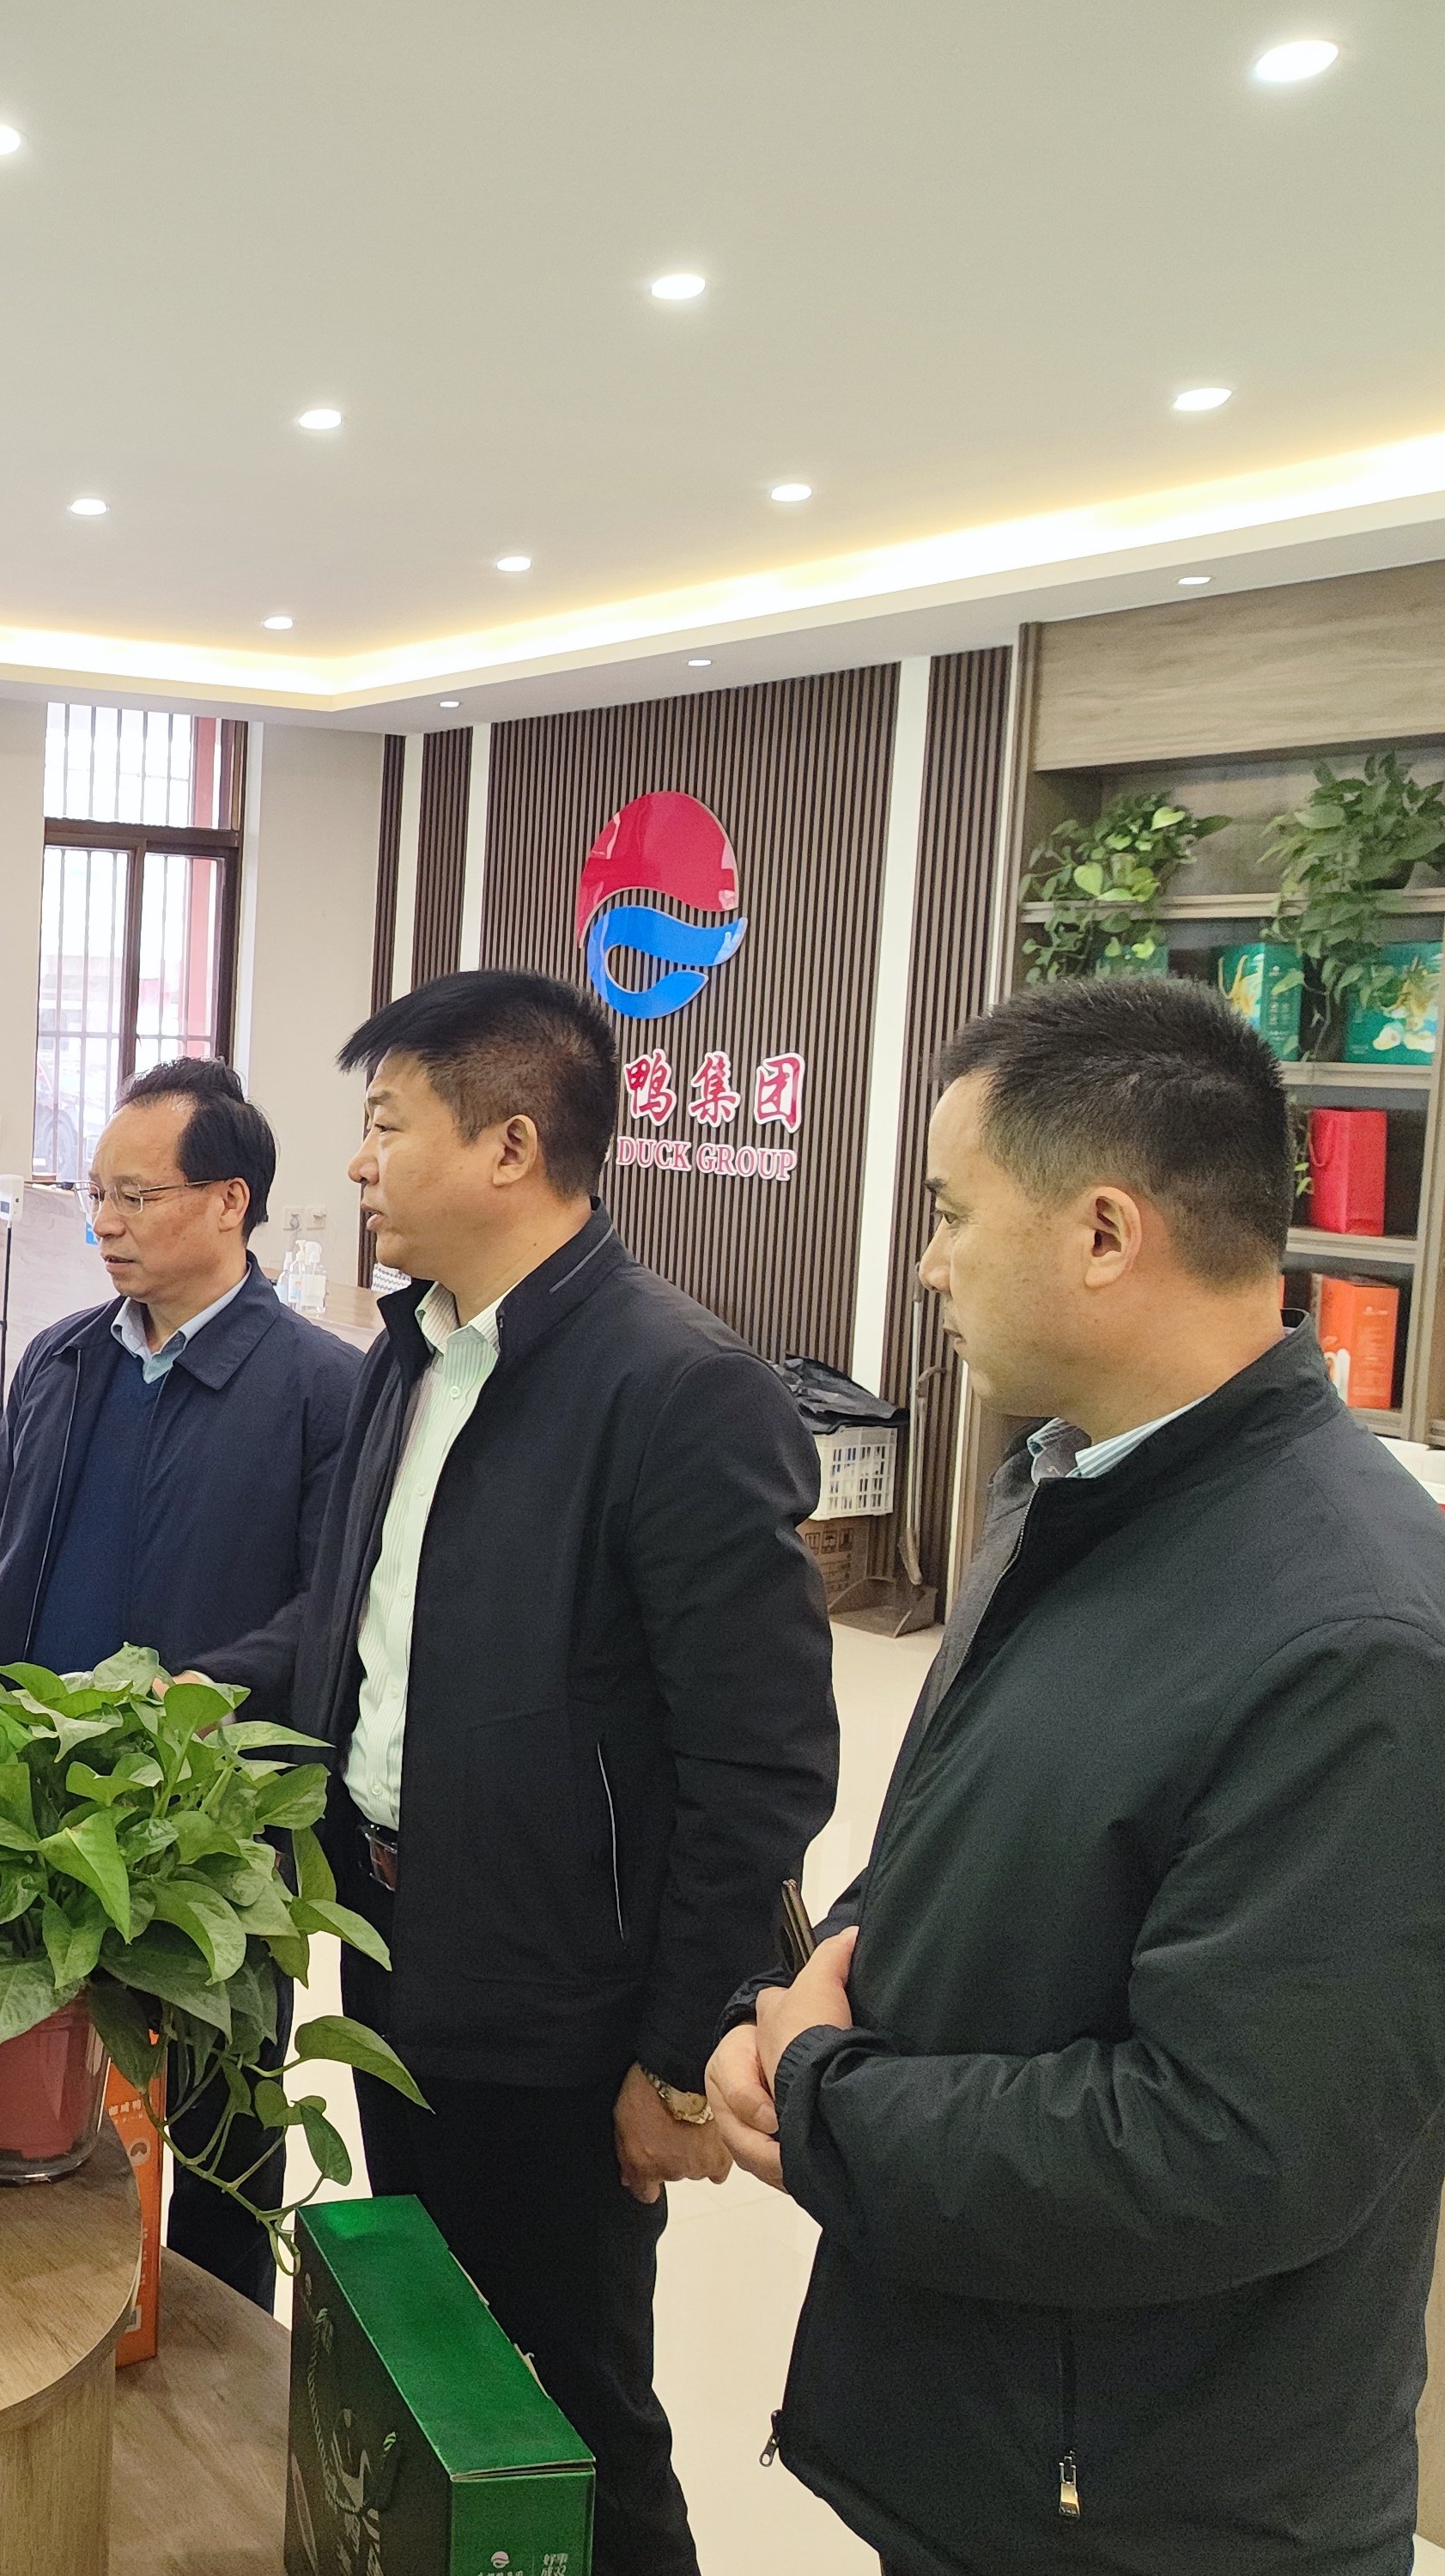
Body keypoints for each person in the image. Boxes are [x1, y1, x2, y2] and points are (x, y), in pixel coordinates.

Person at [707, 977, 1445, 2576]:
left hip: (1151, 2512)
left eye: (952, 1214)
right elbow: (995, 1823)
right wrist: (832, 1966)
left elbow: (1226, 2151)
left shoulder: (1364, 1650)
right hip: (993, 2435)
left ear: (1104, 1232)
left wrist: (831, 2098)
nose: (930, 1264)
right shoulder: (1074, 1492)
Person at [240, 969, 839, 2576]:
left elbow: (759, 1760)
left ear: (509, 1147)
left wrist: (675, 2051)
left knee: (572, 2407)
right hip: (397, 1941)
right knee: (438, 2359)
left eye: (387, 1124)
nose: (358, 1162)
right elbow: (367, 1620)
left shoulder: (676, 1387)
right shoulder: (417, 1350)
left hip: (563, 2000)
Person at [0, 1054, 360, 2308]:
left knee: (222, 2118)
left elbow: (332, 1611)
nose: (106, 1224)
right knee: (39, 2087)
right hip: (41, 1808)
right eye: (98, 1196)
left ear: (229, 1202)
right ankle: (50, 2326)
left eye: (136, 1197)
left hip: (209, 1820)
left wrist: (191, 1697)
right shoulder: (63, 1360)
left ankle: (212, 2346)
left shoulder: (322, 1390)